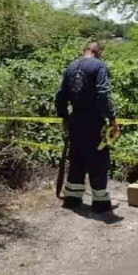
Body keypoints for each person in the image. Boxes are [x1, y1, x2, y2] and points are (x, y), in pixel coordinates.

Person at [55, 42, 119, 212]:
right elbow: (103, 93)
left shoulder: (71, 67)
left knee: (76, 159)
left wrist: (65, 117)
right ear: (99, 53)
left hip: (75, 121)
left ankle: (72, 199)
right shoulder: (99, 66)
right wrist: (112, 118)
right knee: (98, 160)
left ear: (85, 51)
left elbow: (60, 95)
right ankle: (100, 204)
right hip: (94, 122)